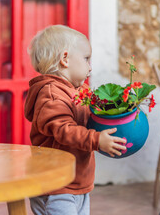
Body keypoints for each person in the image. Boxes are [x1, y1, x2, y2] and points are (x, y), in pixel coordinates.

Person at [24, 25, 127, 215]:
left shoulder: (77, 91)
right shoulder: (52, 94)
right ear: (65, 59)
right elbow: (64, 130)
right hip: (55, 186)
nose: (90, 66)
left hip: (75, 181)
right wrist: (96, 139)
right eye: (86, 58)